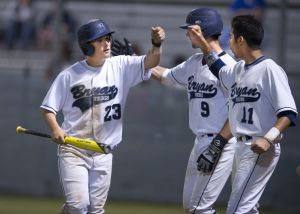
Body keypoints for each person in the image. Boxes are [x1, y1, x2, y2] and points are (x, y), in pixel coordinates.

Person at [40, 19, 165, 213]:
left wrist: (156, 45)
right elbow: (48, 108)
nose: (107, 43)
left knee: (96, 209)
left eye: (107, 38)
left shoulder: (120, 65)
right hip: (74, 149)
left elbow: (151, 62)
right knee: (79, 205)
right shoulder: (69, 75)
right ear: (86, 46)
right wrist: (55, 128)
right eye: (99, 40)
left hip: (103, 152)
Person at [189, 15, 297, 213]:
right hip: (241, 146)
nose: (228, 41)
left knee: (238, 209)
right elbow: (217, 67)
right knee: (247, 207)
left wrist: (268, 139)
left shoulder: (269, 69)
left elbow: (289, 113)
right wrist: (204, 44)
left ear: (241, 40)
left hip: (259, 146)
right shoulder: (238, 69)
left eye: (231, 36)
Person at [151, 8, 236, 213]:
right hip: (199, 141)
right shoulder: (194, 62)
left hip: (220, 143)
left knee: (199, 208)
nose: (186, 33)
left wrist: (217, 145)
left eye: (189, 29)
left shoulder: (230, 66)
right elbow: (166, 76)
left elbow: (238, 111)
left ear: (201, 30)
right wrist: (136, 61)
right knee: (191, 206)